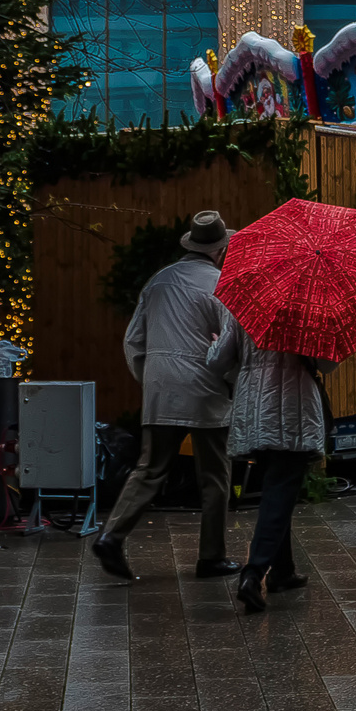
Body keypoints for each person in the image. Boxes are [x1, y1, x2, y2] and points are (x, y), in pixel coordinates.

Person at [92, 211, 241, 582]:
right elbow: (227, 344)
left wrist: (151, 380)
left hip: (160, 387)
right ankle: (211, 556)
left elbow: (133, 341)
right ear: (220, 250)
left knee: (149, 469)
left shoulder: (158, 282)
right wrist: (232, 381)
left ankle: (112, 534)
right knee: (215, 475)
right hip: (204, 387)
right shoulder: (220, 284)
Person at [206, 315, 335, 612]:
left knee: (277, 488)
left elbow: (217, 362)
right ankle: (253, 573)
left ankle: (283, 571)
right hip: (295, 409)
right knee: (280, 488)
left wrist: (215, 345)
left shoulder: (246, 305)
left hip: (255, 409)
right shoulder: (312, 307)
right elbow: (326, 364)